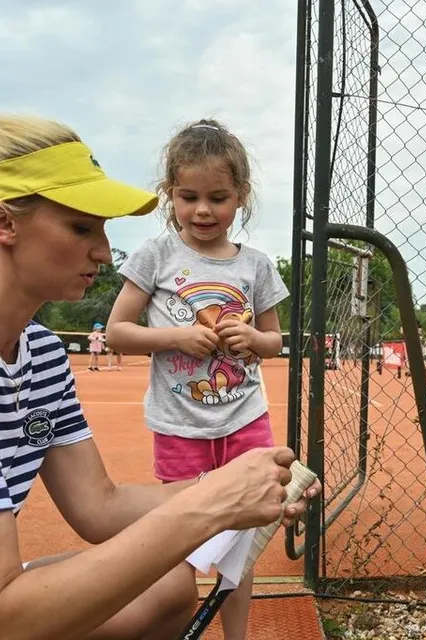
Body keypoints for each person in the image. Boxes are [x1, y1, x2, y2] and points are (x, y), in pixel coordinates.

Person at [0, 114, 320, 640]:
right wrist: (208, 504)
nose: (105, 252)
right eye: (82, 227)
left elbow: (99, 508)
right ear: (6, 222)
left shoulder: (43, 354)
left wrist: (241, 494)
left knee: (171, 587)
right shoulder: (157, 262)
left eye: (103, 230)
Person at [106, 118, 290, 640]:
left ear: (241, 198)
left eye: (218, 197)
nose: (203, 210)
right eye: (188, 197)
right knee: (182, 535)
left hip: (244, 418)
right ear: (170, 195)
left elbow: (277, 341)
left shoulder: (255, 266)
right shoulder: (155, 255)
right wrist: (176, 338)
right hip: (180, 422)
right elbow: (119, 330)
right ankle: (177, 626)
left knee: (242, 540)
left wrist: (254, 341)